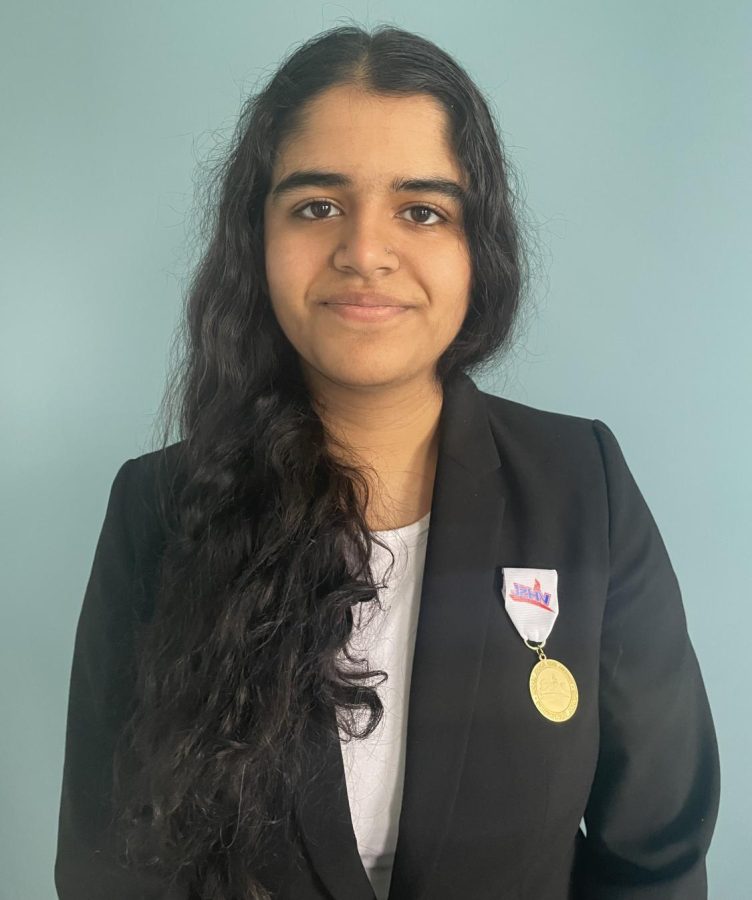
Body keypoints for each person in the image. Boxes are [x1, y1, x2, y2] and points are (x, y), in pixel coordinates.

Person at [54, 23, 720, 900]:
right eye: (317, 205)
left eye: (422, 210)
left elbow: (655, 854)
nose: (365, 251)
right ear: (257, 239)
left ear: (477, 249)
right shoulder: (159, 508)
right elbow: (112, 865)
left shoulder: (581, 483)